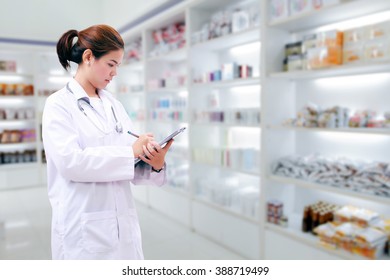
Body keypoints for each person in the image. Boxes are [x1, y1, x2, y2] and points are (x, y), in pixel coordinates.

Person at [42, 24, 173, 260]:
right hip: (83, 226)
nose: (115, 73)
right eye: (111, 64)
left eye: (118, 66)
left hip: (122, 223)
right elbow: (71, 163)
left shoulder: (113, 104)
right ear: (89, 57)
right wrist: (130, 153)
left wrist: (153, 161)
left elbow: (128, 163)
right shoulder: (59, 104)